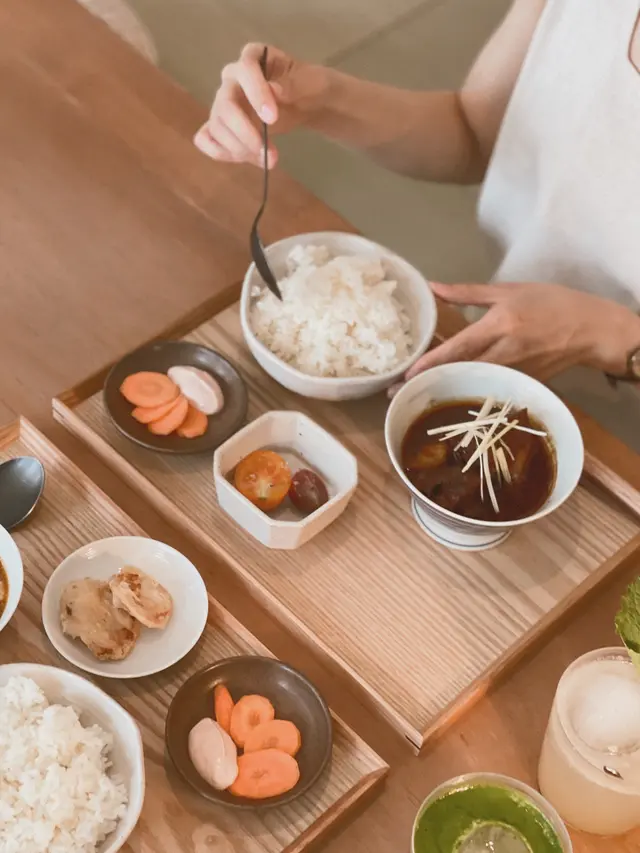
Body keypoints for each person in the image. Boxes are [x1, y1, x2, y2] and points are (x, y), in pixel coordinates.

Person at [194, 0, 640, 448]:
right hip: (485, 355)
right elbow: (475, 132)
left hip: (616, 435)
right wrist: (320, 100)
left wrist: (610, 335)